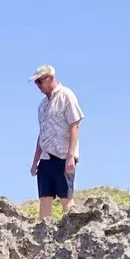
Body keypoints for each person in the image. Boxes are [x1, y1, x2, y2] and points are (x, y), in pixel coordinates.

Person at [29, 66, 83, 224]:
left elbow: (75, 124)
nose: (38, 86)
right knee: (45, 196)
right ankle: (44, 234)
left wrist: (71, 156)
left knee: (66, 196)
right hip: (46, 157)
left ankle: (71, 230)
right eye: (36, 83)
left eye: (40, 81)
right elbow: (42, 134)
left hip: (62, 155)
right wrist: (35, 162)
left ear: (49, 78)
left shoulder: (66, 95)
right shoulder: (42, 106)